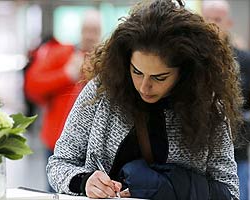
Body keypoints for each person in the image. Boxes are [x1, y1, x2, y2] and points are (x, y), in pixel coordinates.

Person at [46, 0, 243, 199]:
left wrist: (169, 187)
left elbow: (229, 191)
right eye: (137, 72)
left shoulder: (207, 106)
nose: (144, 86)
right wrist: (84, 181)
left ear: (184, 72)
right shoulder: (102, 91)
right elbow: (59, 163)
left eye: (159, 77)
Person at [24, 9, 102, 152]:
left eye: (95, 31)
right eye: (87, 30)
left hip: (89, 146)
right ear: (80, 30)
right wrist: (66, 75)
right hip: (56, 140)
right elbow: (31, 85)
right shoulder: (62, 53)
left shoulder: (106, 62)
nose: (90, 36)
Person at [202, 1, 250, 199]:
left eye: (218, 19)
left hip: (237, 151)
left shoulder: (244, 60)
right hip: (201, 154)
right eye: (209, 19)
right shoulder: (193, 58)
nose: (213, 24)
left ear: (228, 22)